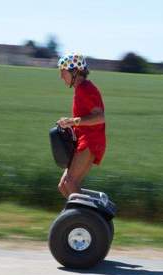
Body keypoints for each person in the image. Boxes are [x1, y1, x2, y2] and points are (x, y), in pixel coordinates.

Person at [55, 52, 106, 199]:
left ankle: (87, 220)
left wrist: (72, 121)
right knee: (64, 185)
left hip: (90, 141)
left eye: (63, 72)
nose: (61, 76)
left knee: (70, 182)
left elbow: (100, 117)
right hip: (85, 140)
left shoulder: (86, 89)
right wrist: (69, 125)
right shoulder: (81, 89)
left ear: (75, 71)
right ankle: (76, 219)